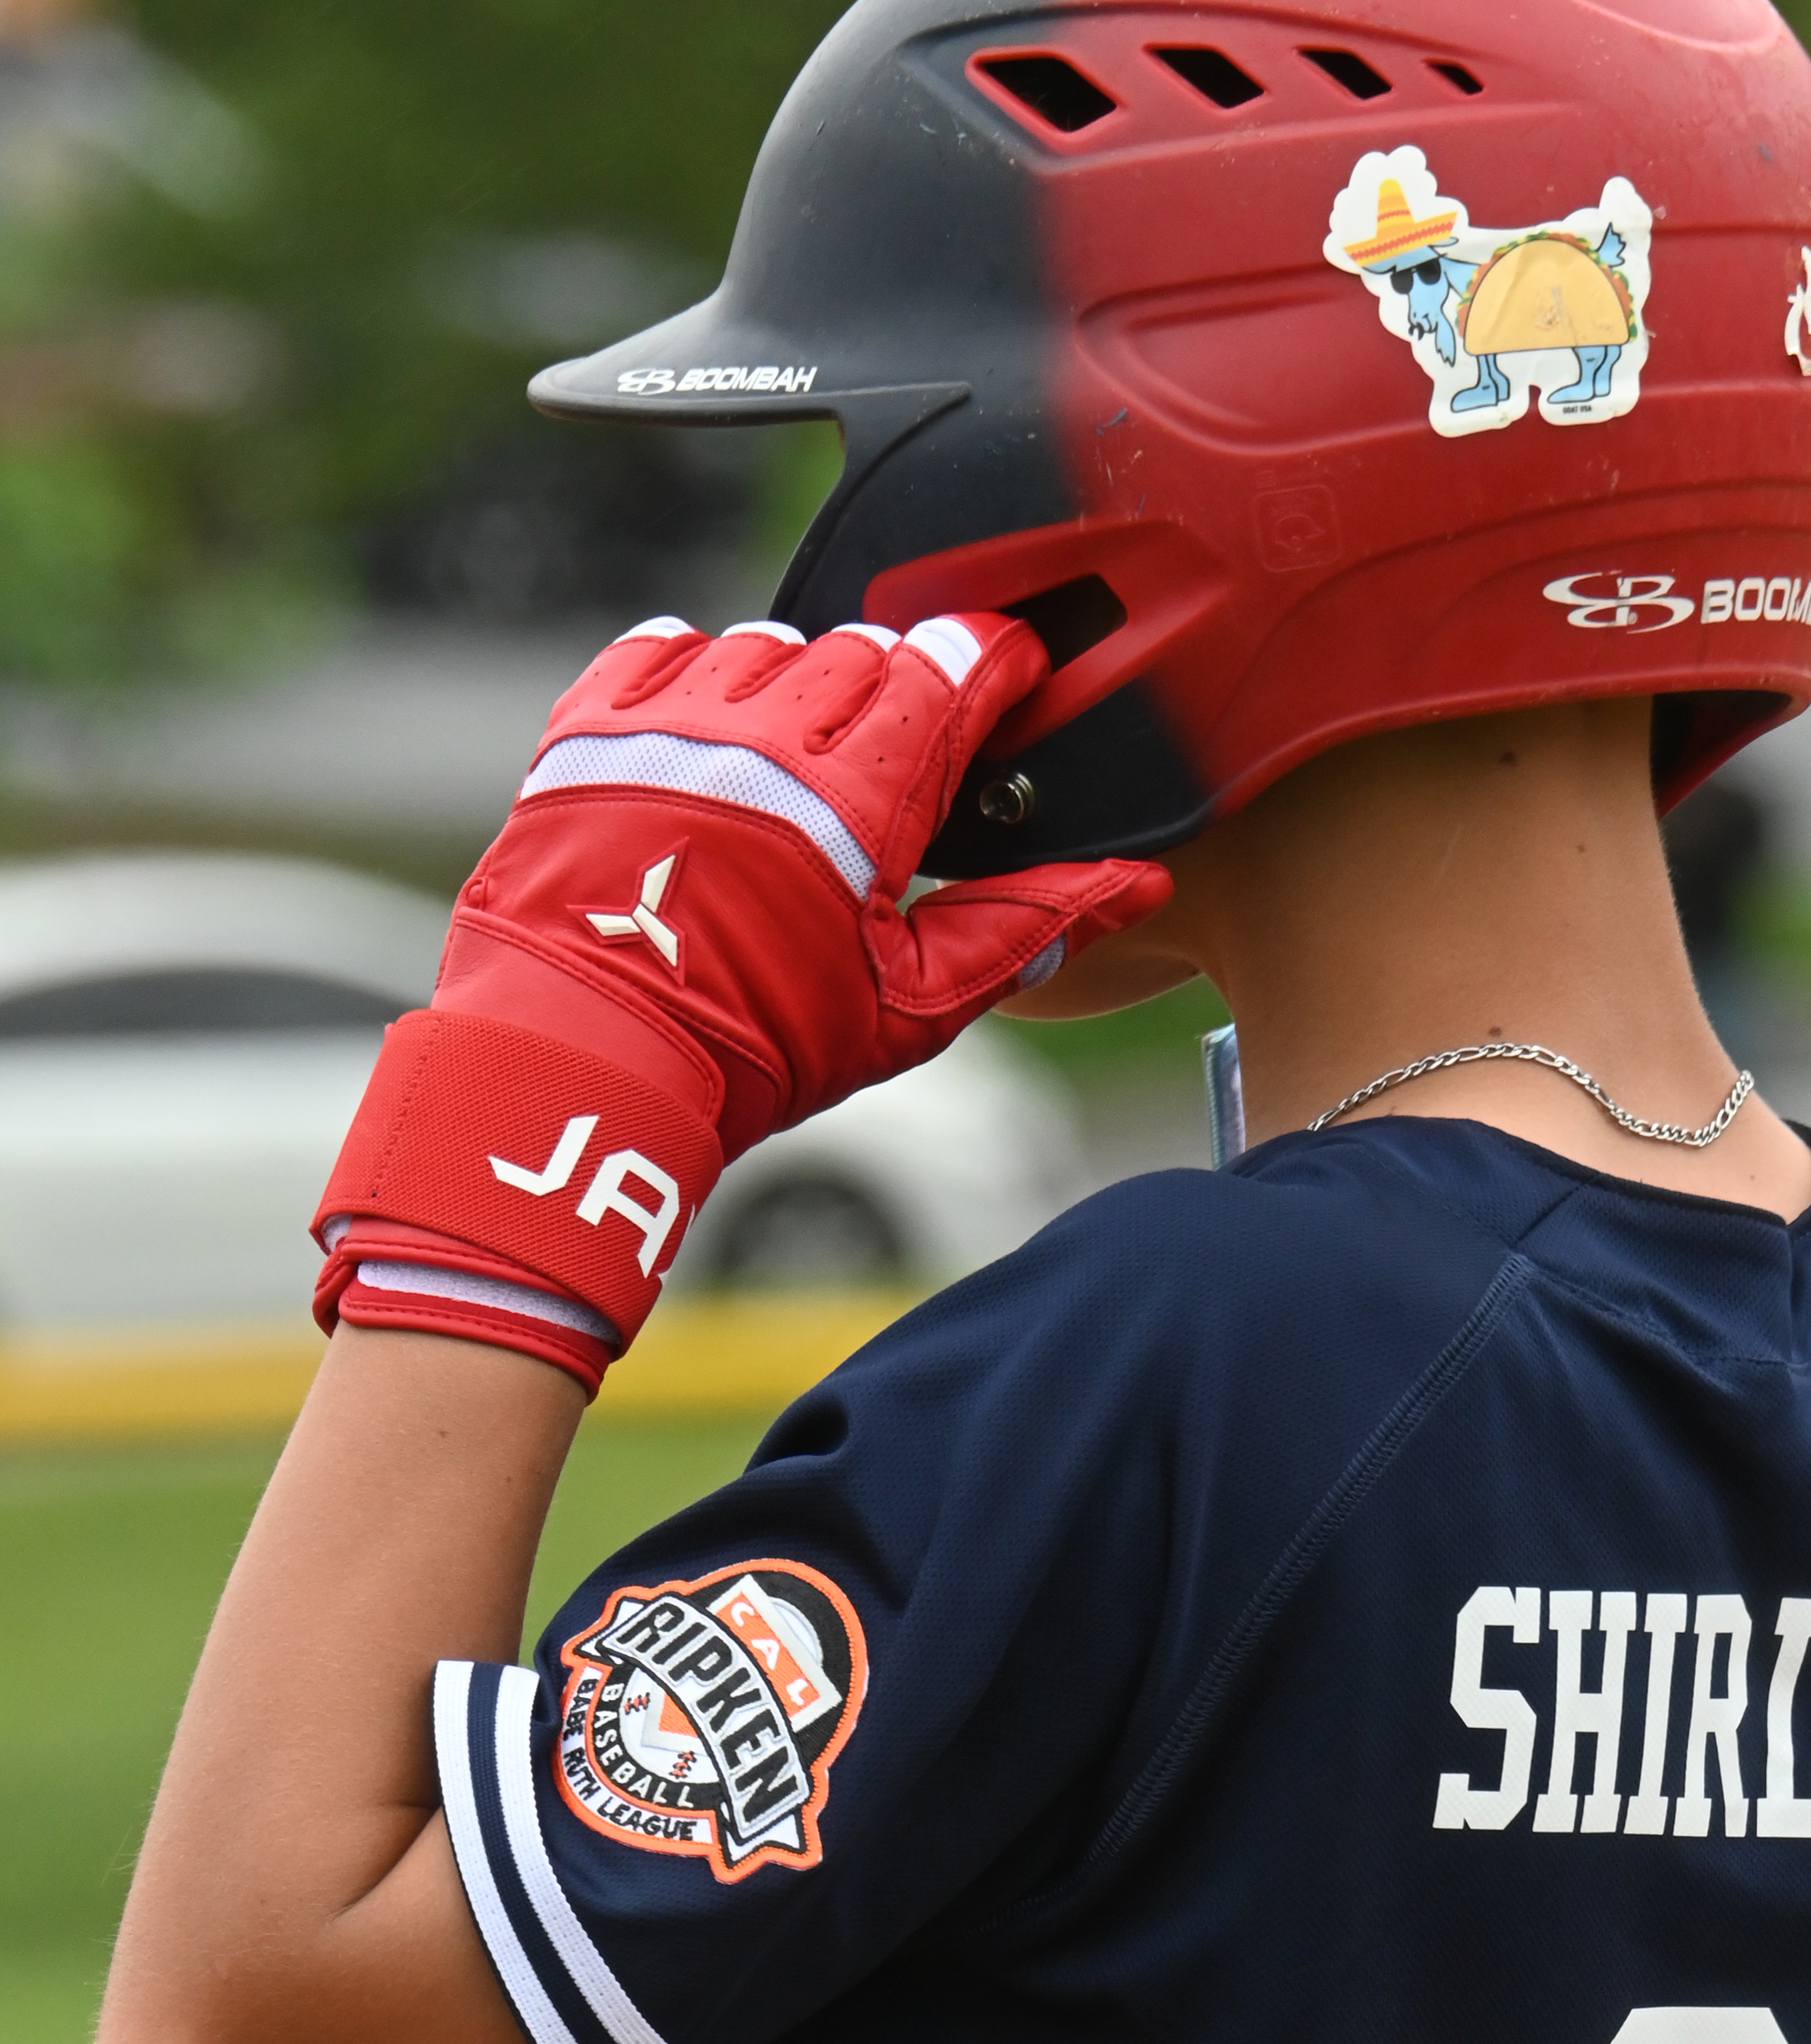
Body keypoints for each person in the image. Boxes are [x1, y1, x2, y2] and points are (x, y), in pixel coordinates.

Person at [98, 2, 1811, 2039]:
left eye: (890, 458)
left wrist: (535, 1128)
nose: (831, 606)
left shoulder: (1192, 1359)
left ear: (1194, 482)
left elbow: (241, 2005)